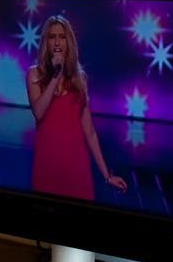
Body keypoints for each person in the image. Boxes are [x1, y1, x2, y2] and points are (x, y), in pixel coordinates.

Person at [26, 16, 127, 200]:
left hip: (77, 168)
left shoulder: (80, 79)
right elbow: (38, 112)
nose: (57, 42)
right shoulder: (34, 74)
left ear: (69, 42)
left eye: (62, 37)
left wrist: (107, 175)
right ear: (45, 42)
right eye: (52, 37)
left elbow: (89, 132)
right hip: (47, 167)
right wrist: (56, 75)